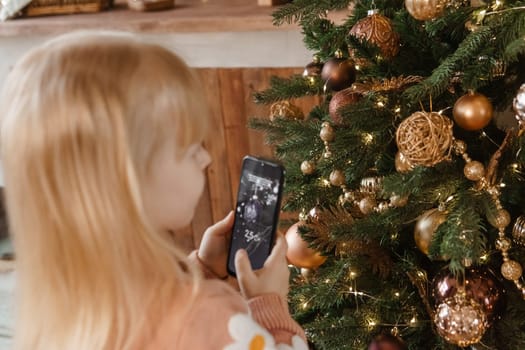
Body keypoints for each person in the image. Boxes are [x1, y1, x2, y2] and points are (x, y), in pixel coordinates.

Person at [0, 31, 306, 350]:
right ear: (129, 181)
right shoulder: (206, 316)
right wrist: (268, 306)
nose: (207, 158)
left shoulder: (55, 300)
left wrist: (200, 270)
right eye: (191, 149)